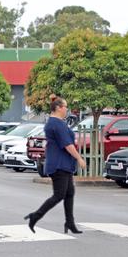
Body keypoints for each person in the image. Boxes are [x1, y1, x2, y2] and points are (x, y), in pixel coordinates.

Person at [24, 95, 87, 234]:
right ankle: (35, 216)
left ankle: (69, 222)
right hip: (59, 165)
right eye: (65, 107)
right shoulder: (56, 124)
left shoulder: (58, 122)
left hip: (63, 164)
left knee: (70, 193)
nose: (67, 110)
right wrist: (79, 158)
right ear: (58, 108)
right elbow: (67, 145)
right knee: (59, 195)